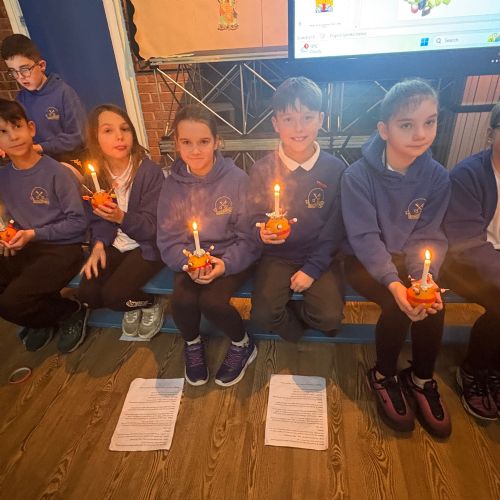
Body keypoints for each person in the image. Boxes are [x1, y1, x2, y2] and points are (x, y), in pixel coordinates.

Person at [341, 79, 452, 438]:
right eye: (407, 124)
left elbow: (429, 234)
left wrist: (425, 279)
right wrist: (393, 283)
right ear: (384, 130)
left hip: (409, 258)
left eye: (429, 122)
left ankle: (421, 378)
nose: (421, 134)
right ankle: (383, 374)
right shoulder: (357, 176)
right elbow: (364, 237)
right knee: (397, 305)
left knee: (431, 304)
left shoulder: (437, 177)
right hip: (363, 259)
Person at [157, 104, 260, 387]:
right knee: (182, 300)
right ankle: (192, 342)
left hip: (231, 256)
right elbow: (168, 237)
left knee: (212, 302)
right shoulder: (172, 186)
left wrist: (225, 264)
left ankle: (242, 343)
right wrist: (187, 263)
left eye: (203, 141)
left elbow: (249, 236)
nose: (195, 150)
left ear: (216, 142)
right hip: (190, 259)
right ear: (176, 143)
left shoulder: (237, 180)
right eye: (186, 142)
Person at [247, 76, 345, 342]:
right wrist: (260, 232)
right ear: (276, 123)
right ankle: (294, 331)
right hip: (276, 256)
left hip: (320, 254)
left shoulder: (335, 170)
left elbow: (336, 228)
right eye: (289, 119)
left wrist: (313, 269)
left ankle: (301, 312)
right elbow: (252, 216)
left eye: (307, 117)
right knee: (263, 315)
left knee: (330, 318)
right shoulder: (262, 169)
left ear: (320, 119)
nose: (298, 128)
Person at [0, 98, 88, 353]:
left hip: (62, 248)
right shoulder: (4, 177)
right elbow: (10, 217)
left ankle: (69, 311)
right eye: (3, 132)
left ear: (31, 128)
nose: (13, 136)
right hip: (27, 246)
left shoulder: (56, 172)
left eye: (17, 126)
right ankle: (36, 316)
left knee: (11, 303)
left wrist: (33, 234)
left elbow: (78, 223)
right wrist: (8, 237)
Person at [78, 104, 165, 339]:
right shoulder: (95, 177)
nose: (119, 136)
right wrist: (98, 245)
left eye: (124, 129)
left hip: (147, 246)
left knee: (115, 296)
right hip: (114, 243)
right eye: (108, 130)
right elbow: (95, 219)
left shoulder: (149, 172)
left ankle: (148, 303)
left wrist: (121, 217)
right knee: (87, 294)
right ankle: (131, 303)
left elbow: (152, 228)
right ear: (95, 138)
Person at [441, 101, 500, 422]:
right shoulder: (468, 175)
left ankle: (494, 369)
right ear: (491, 134)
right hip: (463, 262)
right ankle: (474, 370)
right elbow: (467, 243)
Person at [1, 34, 86, 172]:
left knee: (57, 175)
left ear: (41, 66)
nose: (21, 77)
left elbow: (78, 137)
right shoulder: (21, 99)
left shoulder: (64, 93)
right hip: (37, 161)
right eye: (14, 72)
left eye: (24, 69)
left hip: (70, 160)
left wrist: (41, 147)